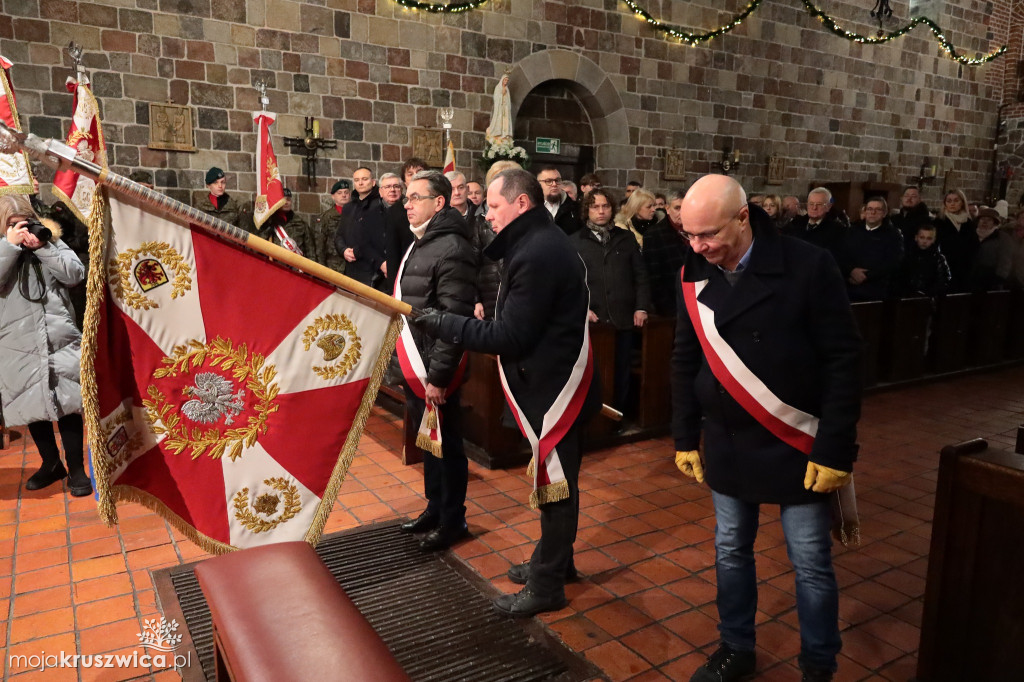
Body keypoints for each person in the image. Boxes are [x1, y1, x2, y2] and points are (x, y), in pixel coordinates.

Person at [672, 175, 862, 682]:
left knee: (810, 562)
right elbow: (685, 358)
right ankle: (736, 647)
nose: (697, 247)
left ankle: (818, 665)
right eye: (688, 236)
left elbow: (843, 361)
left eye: (707, 234)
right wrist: (684, 436)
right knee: (731, 549)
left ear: (743, 217)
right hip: (730, 437)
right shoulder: (694, 270)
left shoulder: (808, 265)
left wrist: (835, 448)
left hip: (795, 439)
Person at [410, 168, 601, 617]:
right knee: (557, 484)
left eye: (494, 207)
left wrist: (441, 321)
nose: (487, 216)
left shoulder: (538, 251)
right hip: (546, 383)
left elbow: (509, 336)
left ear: (521, 204)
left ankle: (549, 582)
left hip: (553, 392)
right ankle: (555, 560)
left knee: (555, 487)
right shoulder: (537, 242)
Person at [394, 171, 476, 551]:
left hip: (435, 368)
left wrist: (440, 376)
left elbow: (453, 316)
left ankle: (452, 518)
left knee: (448, 446)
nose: (406, 203)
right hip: (418, 362)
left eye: (414, 197)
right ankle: (434, 507)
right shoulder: (421, 242)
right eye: (406, 197)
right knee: (429, 444)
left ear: (438, 202)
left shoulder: (451, 247)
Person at [0, 194, 91, 497]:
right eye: (13, 225)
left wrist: (43, 248)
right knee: (31, 402)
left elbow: (75, 274)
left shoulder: (47, 242)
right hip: (17, 341)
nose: (22, 230)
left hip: (58, 338)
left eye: (25, 223)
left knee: (68, 402)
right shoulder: (3, 248)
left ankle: (77, 469)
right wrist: (10, 246)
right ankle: (51, 464)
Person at [574, 188, 650, 411]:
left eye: (605, 206)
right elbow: (570, 283)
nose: (600, 211)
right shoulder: (576, 241)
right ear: (586, 210)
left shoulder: (625, 238)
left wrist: (642, 307)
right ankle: (594, 418)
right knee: (595, 371)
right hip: (593, 319)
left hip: (622, 315)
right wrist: (582, 309)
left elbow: (641, 275)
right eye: (595, 206)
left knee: (621, 369)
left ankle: (619, 415)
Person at [838, 197, 904, 302]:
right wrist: (851, 271)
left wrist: (866, 276)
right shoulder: (852, 231)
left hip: (877, 289)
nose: (872, 212)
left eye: (877, 209)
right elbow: (841, 255)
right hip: (849, 284)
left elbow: (892, 262)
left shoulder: (893, 235)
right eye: (869, 209)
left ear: (884, 213)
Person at [335, 167, 388, 290]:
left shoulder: (380, 205)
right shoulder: (348, 207)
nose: (360, 183)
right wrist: (343, 250)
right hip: (350, 269)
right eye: (357, 180)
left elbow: (379, 238)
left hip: (372, 269)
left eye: (364, 179)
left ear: (373, 182)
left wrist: (357, 252)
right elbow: (339, 235)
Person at [642, 189, 689, 317]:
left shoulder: (696, 231)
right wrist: (665, 307)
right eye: (677, 208)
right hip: (670, 304)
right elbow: (653, 276)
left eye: (685, 207)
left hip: (694, 300)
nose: (682, 212)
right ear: (667, 209)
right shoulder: (654, 235)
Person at [783, 187, 846, 266]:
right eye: (811, 204)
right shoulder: (795, 223)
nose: (814, 208)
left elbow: (834, 259)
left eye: (819, 204)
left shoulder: (837, 230)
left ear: (828, 207)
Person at [932, 189, 976, 292]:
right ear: (945, 203)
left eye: (956, 200)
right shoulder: (939, 222)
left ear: (962, 202)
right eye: (949, 201)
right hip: (945, 268)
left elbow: (974, 246)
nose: (952, 204)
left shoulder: (968, 223)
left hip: (964, 269)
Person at [257, 188, 316, 259]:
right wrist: (269, 228)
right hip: (277, 266)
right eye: (283, 199)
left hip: (296, 268)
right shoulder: (268, 223)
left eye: (288, 199)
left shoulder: (300, 223)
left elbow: (310, 251)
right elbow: (259, 246)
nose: (286, 202)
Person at [966, 207, 1014, 292]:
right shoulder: (972, 235)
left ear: (994, 223)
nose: (985, 222)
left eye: (989, 220)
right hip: (971, 281)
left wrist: (998, 280)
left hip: (991, 282)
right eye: (982, 219)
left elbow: (1005, 261)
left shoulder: (1002, 238)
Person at [899, 224, 951, 297]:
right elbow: (900, 279)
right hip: (908, 299)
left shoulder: (939, 259)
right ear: (916, 237)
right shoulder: (907, 257)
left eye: (929, 238)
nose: (924, 241)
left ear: (934, 240)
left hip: (930, 299)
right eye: (922, 237)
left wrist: (930, 293)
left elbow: (944, 280)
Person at [312, 179, 351, 274]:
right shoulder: (326, 217)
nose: (344, 195)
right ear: (333, 196)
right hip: (334, 266)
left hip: (353, 265)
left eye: (346, 192)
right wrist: (321, 270)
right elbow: (319, 245)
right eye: (339, 193)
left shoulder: (357, 214)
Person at [536, 166, 580, 235]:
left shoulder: (575, 209)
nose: (554, 184)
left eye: (557, 180)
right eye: (548, 181)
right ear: (538, 184)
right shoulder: (531, 209)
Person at [485, 74, 513, 146]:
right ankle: (498, 134)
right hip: (499, 109)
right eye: (505, 80)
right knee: (499, 121)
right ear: (502, 80)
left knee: (505, 122)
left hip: (505, 109)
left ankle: (505, 135)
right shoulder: (498, 88)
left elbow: (509, 100)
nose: (506, 82)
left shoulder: (507, 89)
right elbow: (496, 98)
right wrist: (501, 95)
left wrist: (506, 104)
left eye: (507, 80)